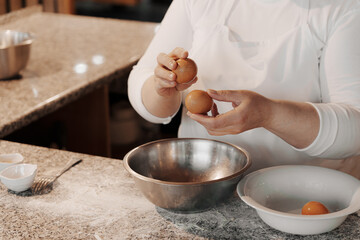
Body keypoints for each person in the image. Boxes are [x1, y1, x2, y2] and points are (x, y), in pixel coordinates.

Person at [128, 0, 360, 178]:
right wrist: (161, 88)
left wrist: (269, 114)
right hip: (203, 184)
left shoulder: (343, 7)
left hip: (302, 195)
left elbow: (355, 130)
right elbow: (145, 86)